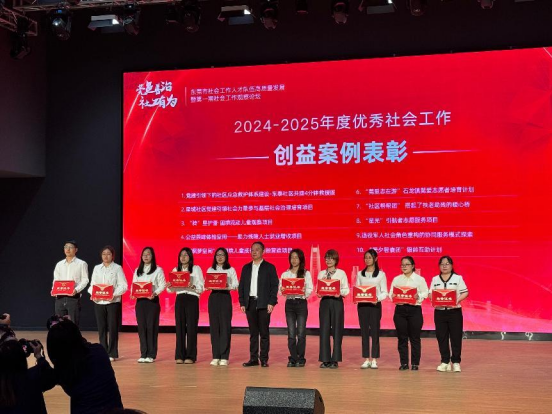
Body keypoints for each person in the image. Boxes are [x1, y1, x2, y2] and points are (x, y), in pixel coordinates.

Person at [47, 318, 123, 414]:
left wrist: (39, 358)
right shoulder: (99, 351)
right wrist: (71, 327)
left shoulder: (65, 369)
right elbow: (82, 345)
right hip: (116, 411)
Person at [238, 241, 279, 368]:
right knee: (253, 333)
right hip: (250, 303)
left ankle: (264, 359)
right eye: (252, 250)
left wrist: (272, 302)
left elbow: (274, 286)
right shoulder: (246, 268)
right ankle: (253, 358)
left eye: (257, 249)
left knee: (264, 333)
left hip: (264, 304)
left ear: (263, 251)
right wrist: (242, 302)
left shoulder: (269, 267)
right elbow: (241, 286)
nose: (254, 252)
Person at [87, 245, 128, 362]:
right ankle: (103, 352)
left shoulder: (117, 268)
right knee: (102, 328)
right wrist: (92, 293)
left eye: (108, 254)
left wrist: (113, 294)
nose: (106, 256)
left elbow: (123, 285)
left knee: (113, 327)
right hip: (99, 302)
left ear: (112, 256)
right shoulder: (97, 268)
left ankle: (112, 353)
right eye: (104, 254)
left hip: (112, 302)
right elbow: (93, 285)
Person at [429, 256, 469, 373]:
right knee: (441, 337)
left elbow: (465, 292)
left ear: (451, 265)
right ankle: (445, 361)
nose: (444, 266)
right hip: (440, 312)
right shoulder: (435, 279)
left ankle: (456, 362)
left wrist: (456, 301)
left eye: (447, 264)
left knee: (456, 337)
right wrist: (433, 299)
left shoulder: (458, 278)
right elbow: (430, 293)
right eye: (442, 264)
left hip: (454, 312)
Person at [389, 256, 428, 371]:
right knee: (402, 338)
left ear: (413, 266)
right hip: (400, 310)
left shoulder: (419, 279)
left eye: (407, 264)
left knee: (415, 338)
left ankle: (415, 363)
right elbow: (391, 293)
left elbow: (426, 292)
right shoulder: (397, 279)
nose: (404, 266)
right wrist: (393, 296)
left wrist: (418, 296)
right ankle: (404, 363)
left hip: (414, 310)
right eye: (402, 265)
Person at [167, 247, 204, 364]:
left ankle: (190, 356)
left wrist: (194, 287)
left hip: (192, 297)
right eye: (181, 255)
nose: (183, 257)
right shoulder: (175, 269)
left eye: (186, 255)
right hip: (180, 298)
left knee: (192, 327)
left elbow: (202, 287)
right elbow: (170, 290)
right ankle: (180, 355)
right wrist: (169, 286)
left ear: (190, 257)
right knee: (180, 327)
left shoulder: (196, 269)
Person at [0, 337, 56, 414]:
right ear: (22, 358)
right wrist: (39, 356)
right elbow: (52, 378)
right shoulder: (34, 376)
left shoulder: (3, 382)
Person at [130, 247, 166, 363]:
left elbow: (162, 285)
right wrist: (132, 293)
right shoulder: (137, 270)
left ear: (152, 256)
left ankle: (151, 354)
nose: (146, 256)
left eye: (148, 254)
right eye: (144, 254)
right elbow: (134, 284)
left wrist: (154, 293)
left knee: (151, 327)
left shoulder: (158, 270)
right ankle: (143, 353)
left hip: (152, 301)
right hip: (140, 302)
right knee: (141, 327)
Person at [279, 248, 313, 367]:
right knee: (291, 333)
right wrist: (282, 290)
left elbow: (310, 289)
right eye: (292, 257)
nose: (294, 260)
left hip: (301, 303)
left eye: (296, 257)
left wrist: (304, 291)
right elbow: (280, 291)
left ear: (301, 259)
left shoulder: (306, 273)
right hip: (289, 304)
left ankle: (301, 358)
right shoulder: (285, 274)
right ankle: (293, 357)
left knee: (301, 333)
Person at [206, 247, 238, 366]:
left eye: (222, 255)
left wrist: (227, 285)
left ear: (226, 257)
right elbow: (206, 284)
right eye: (218, 255)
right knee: (214, 327)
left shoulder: (231, 269)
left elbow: (236, 284)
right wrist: (208, 285)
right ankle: (215, 356)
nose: (220, 257)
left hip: (225, 297)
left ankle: (224, 356)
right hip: (213, 297)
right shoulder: (210, 269)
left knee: (225, 326)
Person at [356, 249, 388, 369]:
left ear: (376, 258)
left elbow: (384, 292)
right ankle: (366, 359)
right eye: (366, 257)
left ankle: (374, 359)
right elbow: (357, 289)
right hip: (362, 306)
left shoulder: (381, 274)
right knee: (364, 332)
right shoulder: (360, 274)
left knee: (375, 332)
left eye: (370, 257)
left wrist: (377, 298)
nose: (367, 259)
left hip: (375, 306)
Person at [318, 249, 349, 369]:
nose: (328, 260)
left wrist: (339, 293)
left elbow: (346, 289)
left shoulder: (341, 273)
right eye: (327, 258)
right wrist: (318, 293)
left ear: (336, 260)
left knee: (337, 330)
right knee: (324, 330)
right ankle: (325, 359)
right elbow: (318, 288)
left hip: (337, 302)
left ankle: (335, 359)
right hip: (325, 302)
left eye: (331, 258)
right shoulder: (321, 273)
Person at [52, 240, 89, 326]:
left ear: (76, 250)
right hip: (60, 298)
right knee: (59, 325)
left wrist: (76, 289)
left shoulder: (82, 264)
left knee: (73, 325)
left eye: (70, 247)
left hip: (73, 298)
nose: (68, 249)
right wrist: (54, 289)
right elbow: (56, 280)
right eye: (66, 247)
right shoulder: (59, 264)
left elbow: (85, 279)